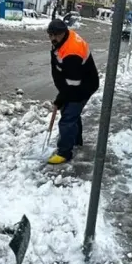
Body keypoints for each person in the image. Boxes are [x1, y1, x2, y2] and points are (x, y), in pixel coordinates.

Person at [46, 19, 99, 165]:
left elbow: (72, 85)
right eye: (50, 34)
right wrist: (62, 94)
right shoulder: (64, 39)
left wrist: (60, 98)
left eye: (56, 35)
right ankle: (76, 141)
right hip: (75, 82)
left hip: (83, 86)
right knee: (71, 113)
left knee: (68, 117)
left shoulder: (72, 52)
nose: (52, 38)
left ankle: (64, 153)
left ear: (64, 32)